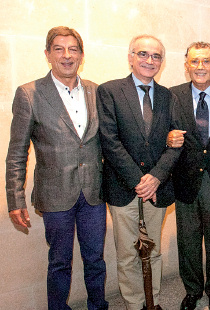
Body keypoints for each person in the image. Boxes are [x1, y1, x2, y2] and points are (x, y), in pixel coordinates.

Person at [5, 26, 108, 310]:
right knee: (60, 262)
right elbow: (17, 152)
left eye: (73, 49)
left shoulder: (96, 91)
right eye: (59, 49)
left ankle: (98, 306)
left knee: (95, 260)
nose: (66, 55)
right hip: (54, 195)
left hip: (93, 194)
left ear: (81, 55)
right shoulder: (29, 94)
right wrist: (15, 199)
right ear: (48, 54)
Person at [97, 34, 182, 310]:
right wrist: (138, 181)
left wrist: (156, 177)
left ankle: (152, 301)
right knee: (128, 255)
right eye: (143, 54)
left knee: (153, 251)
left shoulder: (169, 96)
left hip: (157, 187)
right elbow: (109, 141)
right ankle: (135, 305)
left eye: (156, 56)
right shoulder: (109, 91)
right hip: (123, 187)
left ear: (162, 62)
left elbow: (177, 142)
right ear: (131, 57)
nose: (150, 60)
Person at [165, 42, 210, 310]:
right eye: (195, 61)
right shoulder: (171, 96)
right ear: (186, 66)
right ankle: (192, 289)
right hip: (185, 180)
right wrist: (167, 137)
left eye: (206, 61)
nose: (200, 67)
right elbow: (162, 132)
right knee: (188, 241)